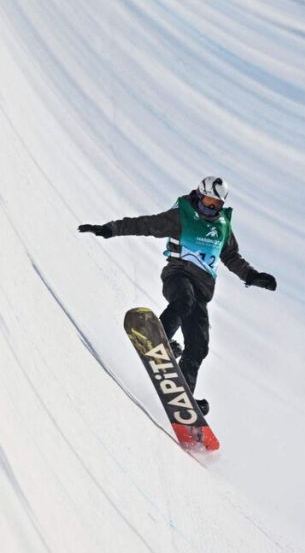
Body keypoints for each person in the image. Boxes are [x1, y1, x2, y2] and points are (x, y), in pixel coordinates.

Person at [78, 176, 276, 414]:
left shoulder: (222, 226)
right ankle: (158, 338)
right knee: (184, 300)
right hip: (178, 276)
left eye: (216, 205)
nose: (210, 208)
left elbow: (232, 256)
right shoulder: (182, 216)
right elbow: (145, 224)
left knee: (199, 346)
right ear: (198, 195)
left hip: (202, 291)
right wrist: (110, 228)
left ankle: (184, 401)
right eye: (207, 202)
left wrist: (252, 276)